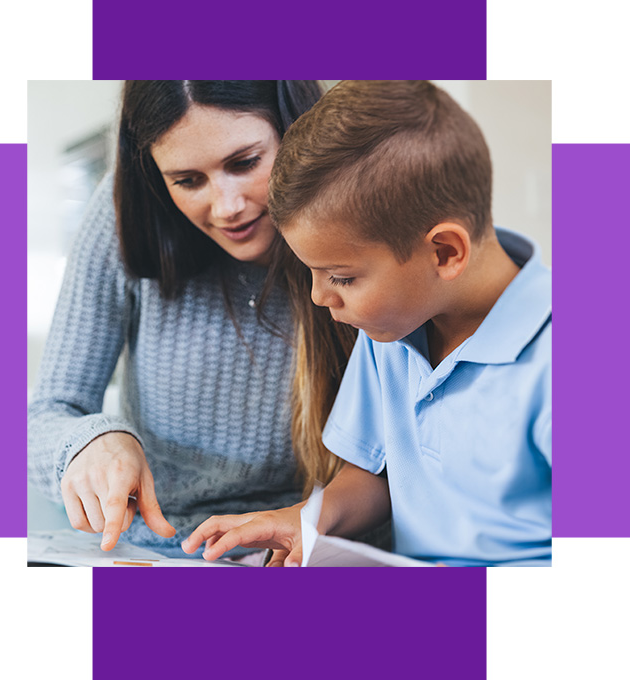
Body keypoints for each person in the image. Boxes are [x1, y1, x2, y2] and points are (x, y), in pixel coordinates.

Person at [182, 80, 552, 567]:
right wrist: (307, 521)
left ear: (444, 252)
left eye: (340, 276)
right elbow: (373, 474)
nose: (318, 297)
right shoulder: (393, 330)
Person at [28, 81, 356, 560]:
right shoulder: (121, 211)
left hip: (304, 547)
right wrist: (89, 443)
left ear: (297, 130)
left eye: (244, 163)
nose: (226, 208)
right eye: (187, 181)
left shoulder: (362, 212)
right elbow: (45, 414)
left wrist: (311, 522)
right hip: (156, 548)